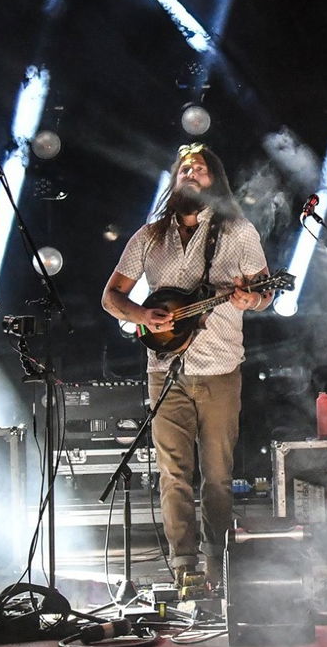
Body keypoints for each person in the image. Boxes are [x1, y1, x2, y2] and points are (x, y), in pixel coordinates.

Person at [101, 144, 271, 587]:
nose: (191, 173)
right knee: (173, 474)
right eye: (184, 169)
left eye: (200, 169)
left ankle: (219, 564)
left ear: (216, 181)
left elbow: (264, 291)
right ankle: (183, 566)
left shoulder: (238, 232)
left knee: (218, 476)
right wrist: (141, 315)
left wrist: (250, 299)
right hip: (164, 371)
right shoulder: (149, 236)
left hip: (219, 369)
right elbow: (111, 296)